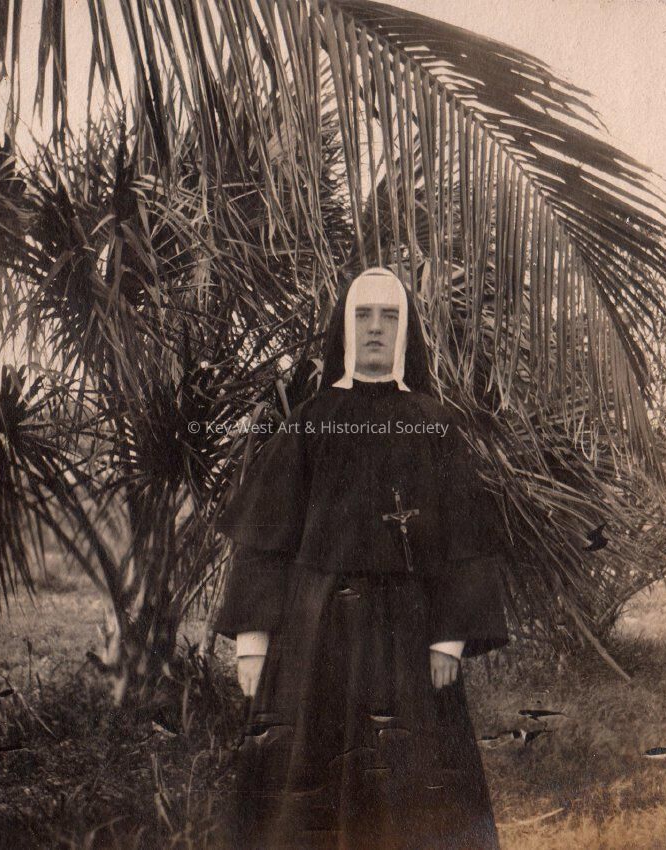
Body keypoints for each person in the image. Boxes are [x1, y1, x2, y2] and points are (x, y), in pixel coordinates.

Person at [213, 267, 511, 850]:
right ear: (346, 329)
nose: (376, 327)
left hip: (409, 637)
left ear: (405, 332)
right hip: (315, 634)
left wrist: (450, 638)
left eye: (390, 316)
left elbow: (464, 536)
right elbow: (265, 536)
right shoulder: (309, 422)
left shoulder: (436, 426)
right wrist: (251, 640)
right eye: (364, 315)